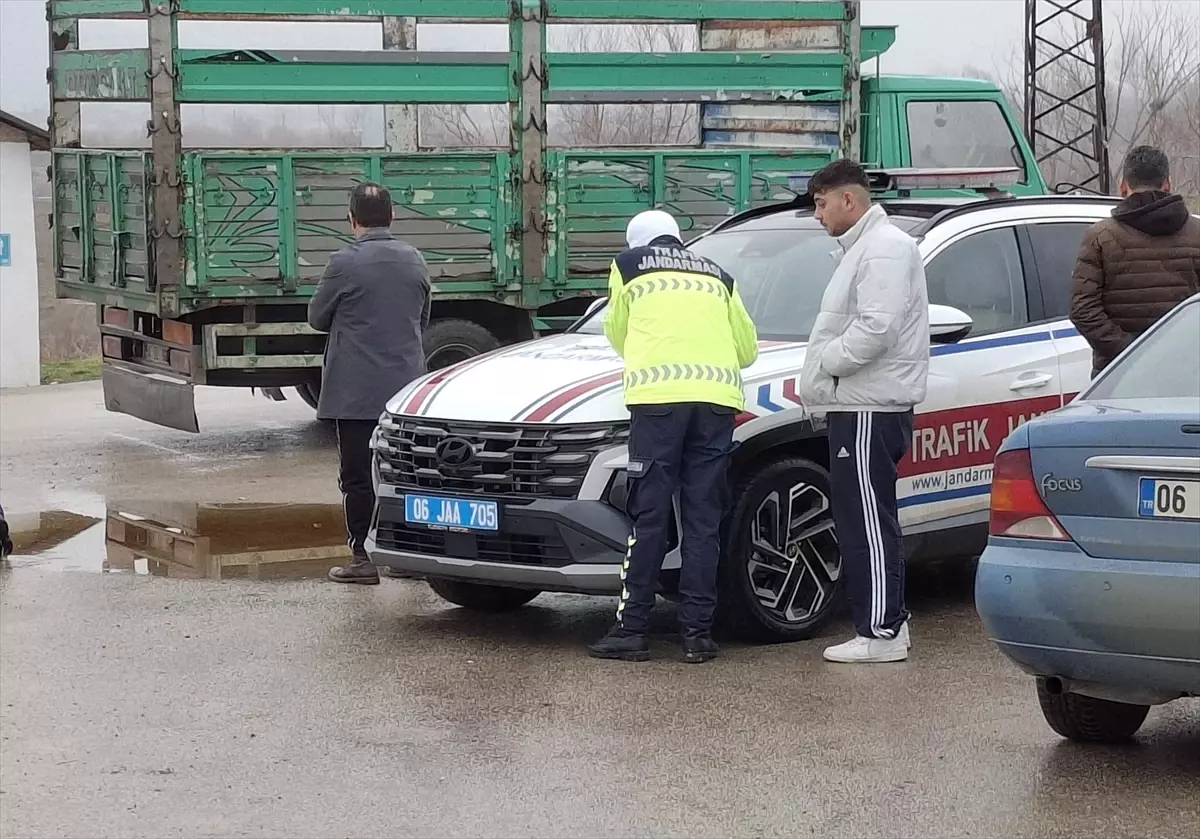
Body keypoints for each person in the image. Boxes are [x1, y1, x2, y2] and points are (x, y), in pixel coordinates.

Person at [587, 210, 759, 664]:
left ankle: (633, 630)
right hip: (717, 403)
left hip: (658, 404)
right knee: (703, 521)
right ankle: (698, 635)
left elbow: (618, 333)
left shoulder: (628, 265)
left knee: (650, 517)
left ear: (636, 240)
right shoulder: (718, 274)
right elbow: (747, 349)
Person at [797, 159, 929, 664]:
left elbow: (877, 329)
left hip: (868, 404)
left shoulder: (884, 249)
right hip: (859, 403)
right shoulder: (869, 249)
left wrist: (828, 364)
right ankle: (885, 623)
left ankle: (880, 630)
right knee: (863, 516)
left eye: (821, 203)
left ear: (848, 199)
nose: (818, 215)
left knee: (867, 519)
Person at [308, 182, 431, 585]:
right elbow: (422, 317)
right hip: (406, 389)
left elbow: (317, 317)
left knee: (359, 476)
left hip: (355, 391)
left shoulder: (343, 262)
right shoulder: (415, 258)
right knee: (406, 473)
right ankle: (410, 555)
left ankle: (363, 557)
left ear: (352, 219)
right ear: (392, 217)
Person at [1070, 145, 1200, 377]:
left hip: (1118, 377)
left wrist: (1131, 353)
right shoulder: (1197, 233)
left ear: (1123, 186)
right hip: (1187, 374)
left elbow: (1083, 310)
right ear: (1168, 183)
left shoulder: (1099, 237)